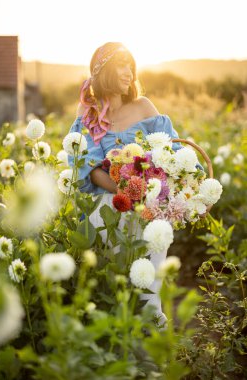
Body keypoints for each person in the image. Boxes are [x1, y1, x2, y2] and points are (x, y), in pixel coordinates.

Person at [68, 41, 198, 328]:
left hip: (147, 209)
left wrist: (188, 185)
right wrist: (128, 192)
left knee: (148, 288)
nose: (129, 73)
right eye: (121, 66)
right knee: (111, 286)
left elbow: (174, 152)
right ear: (103, 72)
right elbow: (89, 169)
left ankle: (151, 362)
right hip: (107, 209)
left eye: (131, 67)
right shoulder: (87, 111)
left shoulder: (143, 107)